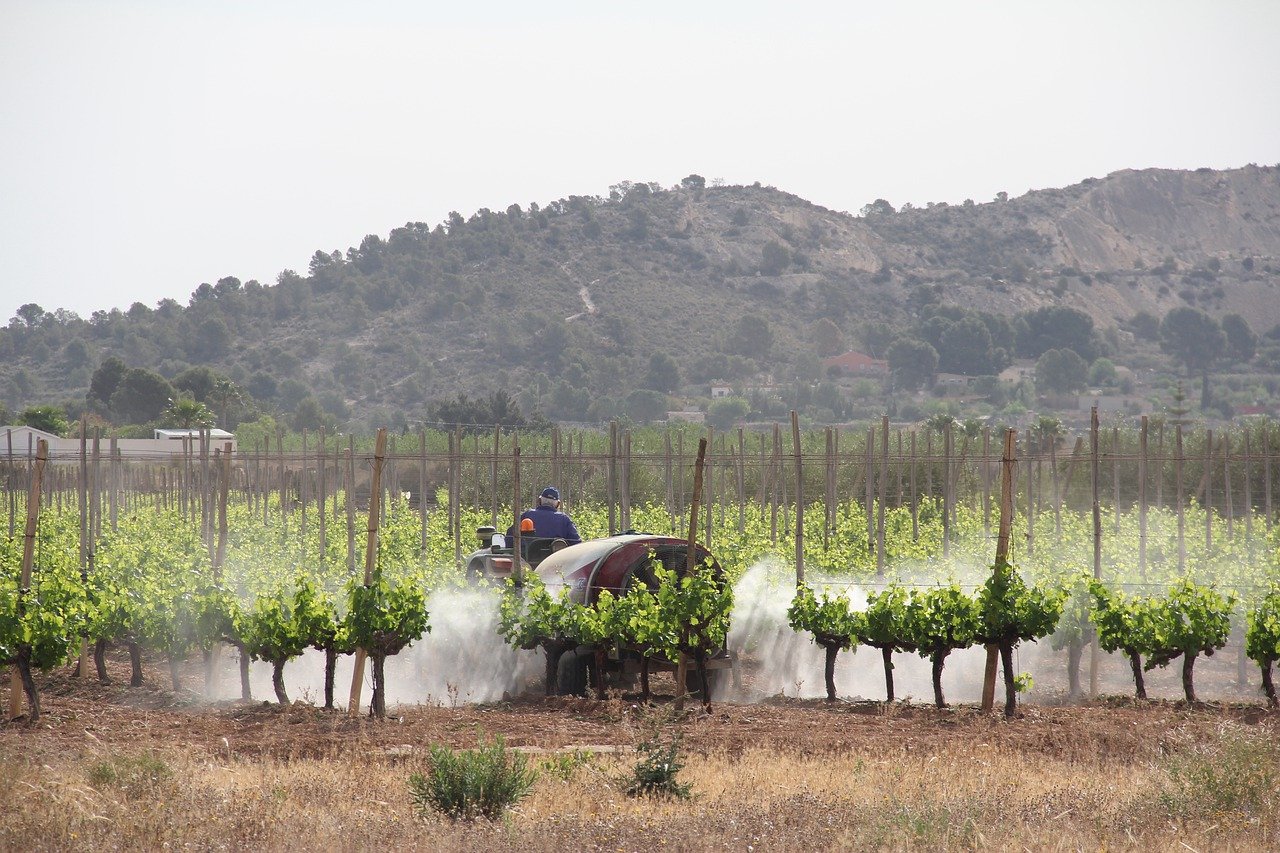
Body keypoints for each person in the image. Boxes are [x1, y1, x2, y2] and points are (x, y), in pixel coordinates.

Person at [507, 486, 581, 544]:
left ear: (539, 500)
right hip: (556, 561)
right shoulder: (564, 519)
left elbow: (510, 537)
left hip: (526, 560)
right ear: (558, 504)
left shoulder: (527, 515)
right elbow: (576, 543)